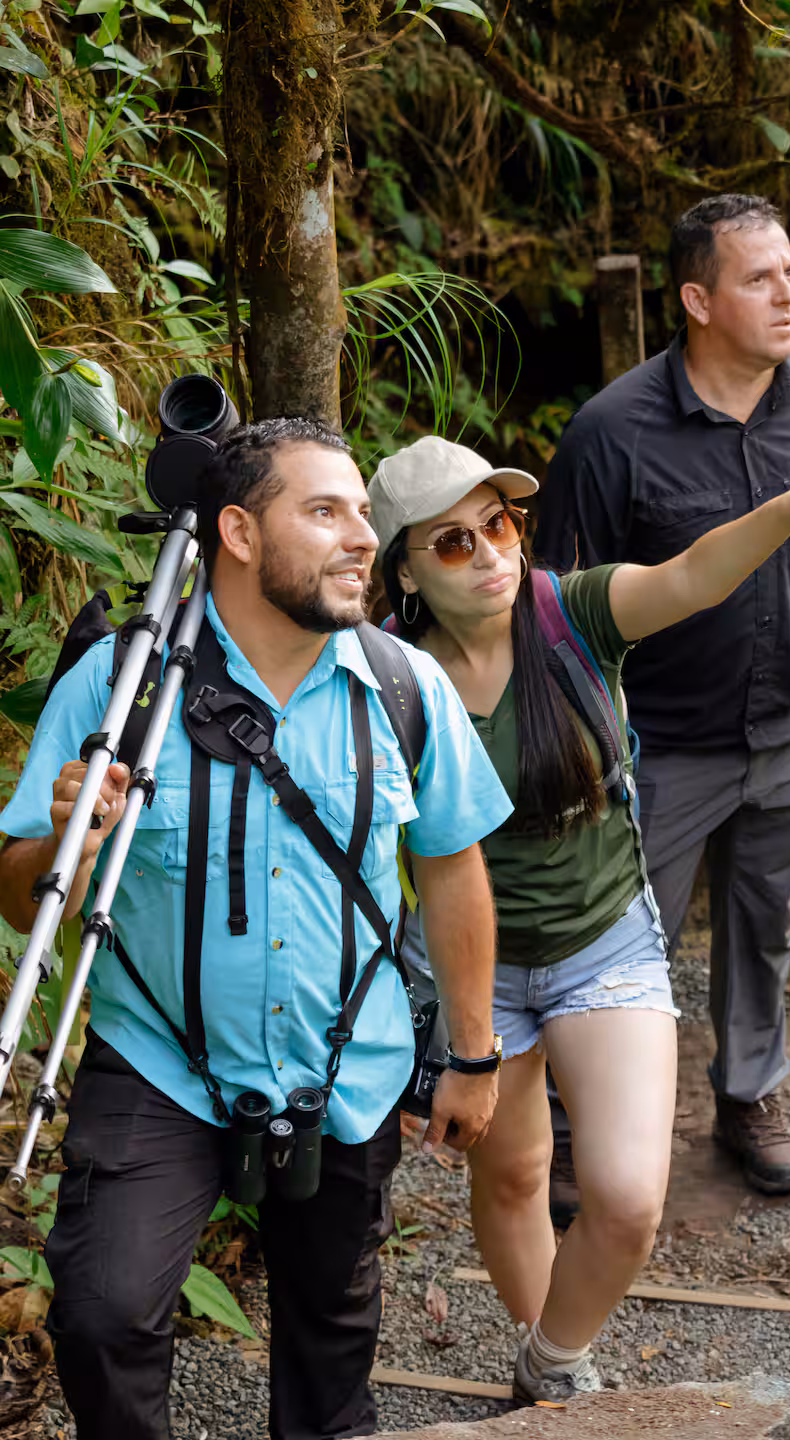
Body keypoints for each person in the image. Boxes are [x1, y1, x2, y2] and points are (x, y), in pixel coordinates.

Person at [0, 418, 513, 1440]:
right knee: (102, 1314)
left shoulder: (404, 689)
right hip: (159, 1062)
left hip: (346, 1066)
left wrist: (473, 1052)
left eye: (364, 512)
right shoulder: (117, 686)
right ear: (237, 532)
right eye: (325, 512)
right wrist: (70, 835)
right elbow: (23, 896)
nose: (362, 536)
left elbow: (453, 869)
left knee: (331, 1346)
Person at [368, 431, 790, 1402]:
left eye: (500, 524)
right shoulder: (386, 679)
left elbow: (691, 575)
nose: (489, 555)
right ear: (401, 566)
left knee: (625, 1198)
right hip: (474, 973)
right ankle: (554, 1382)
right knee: (515, 1178)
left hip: (603, 942)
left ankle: (550, 1358)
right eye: (452, 543)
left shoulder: (570, 616)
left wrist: (785, 511)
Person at [535, 193, 790, 1197]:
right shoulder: (613, 433)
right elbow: (559, 602)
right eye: (760, 278)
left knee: (763, 920)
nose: (789, 293)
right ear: (697, 298)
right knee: (612, 935)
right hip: (658, 745)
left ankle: (749, 1097)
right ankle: (576, 1124)